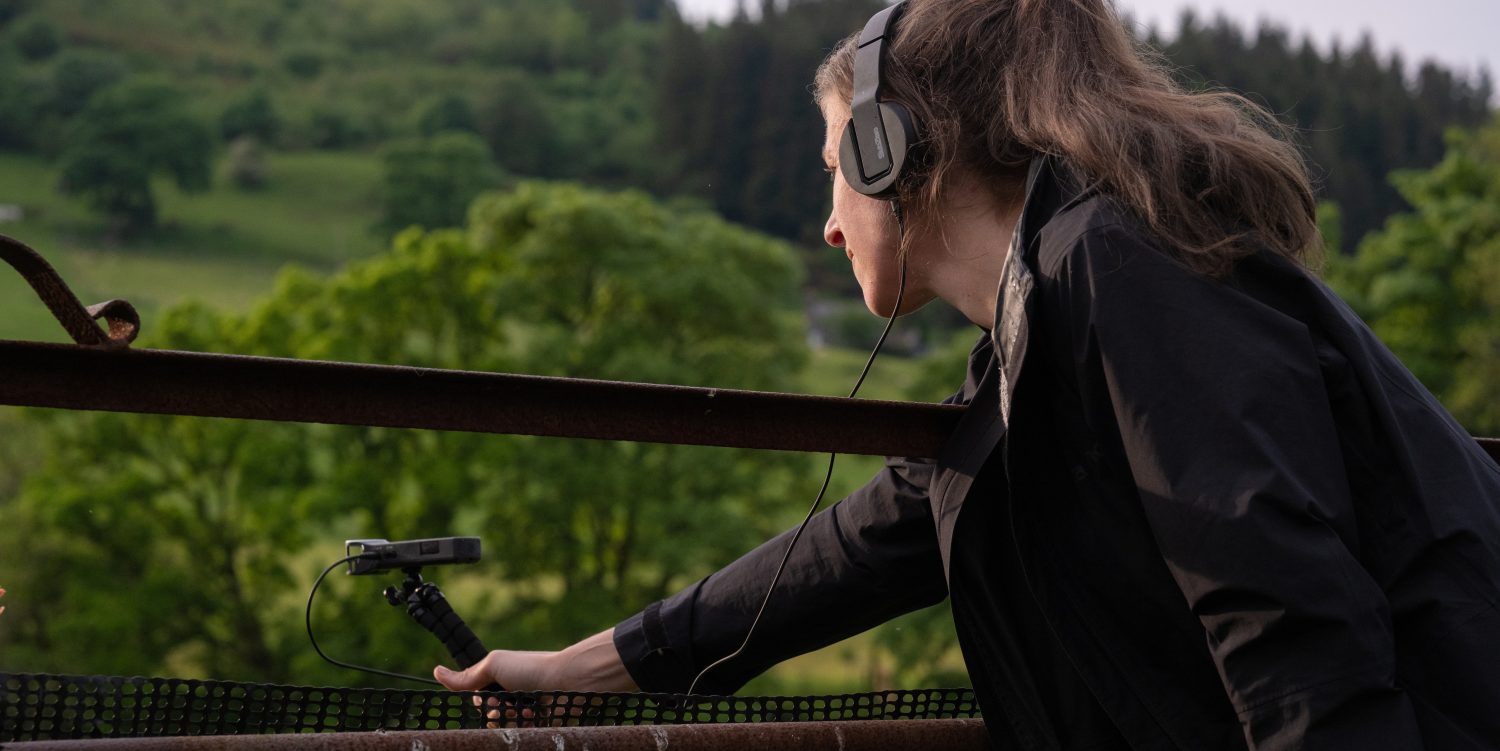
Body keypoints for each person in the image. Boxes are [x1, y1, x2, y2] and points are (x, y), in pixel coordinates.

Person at [435, 0, 1500, 748]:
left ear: (885, 156)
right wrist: (582, 668)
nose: (828, 225)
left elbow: (1290, 627)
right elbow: (854, 549)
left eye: (832, 172)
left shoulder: (1124, 272)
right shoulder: (1043, 333)